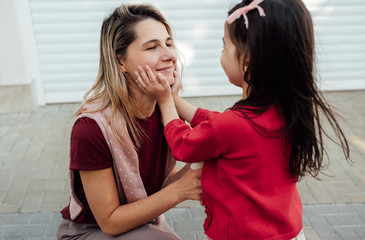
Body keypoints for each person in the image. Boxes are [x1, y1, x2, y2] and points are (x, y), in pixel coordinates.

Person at [134, 0, 351, 239]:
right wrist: (176, 100)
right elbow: (222, 125)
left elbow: (183, 145)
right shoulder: (284, 111)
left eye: (224, 46)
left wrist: (165, 101)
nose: (221, 53)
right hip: (289, 232)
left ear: (247, 62)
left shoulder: (232, 125)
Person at [57, 4, 202, 240]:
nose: (169, 55)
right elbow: (110, 222)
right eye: (152, 47)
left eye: (168, 43)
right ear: (121, 61)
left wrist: (196, 167)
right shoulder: (91, 128)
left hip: (142, 224)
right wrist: (181, 190)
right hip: (91, 231)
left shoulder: (164, 109)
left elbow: (163, 187)